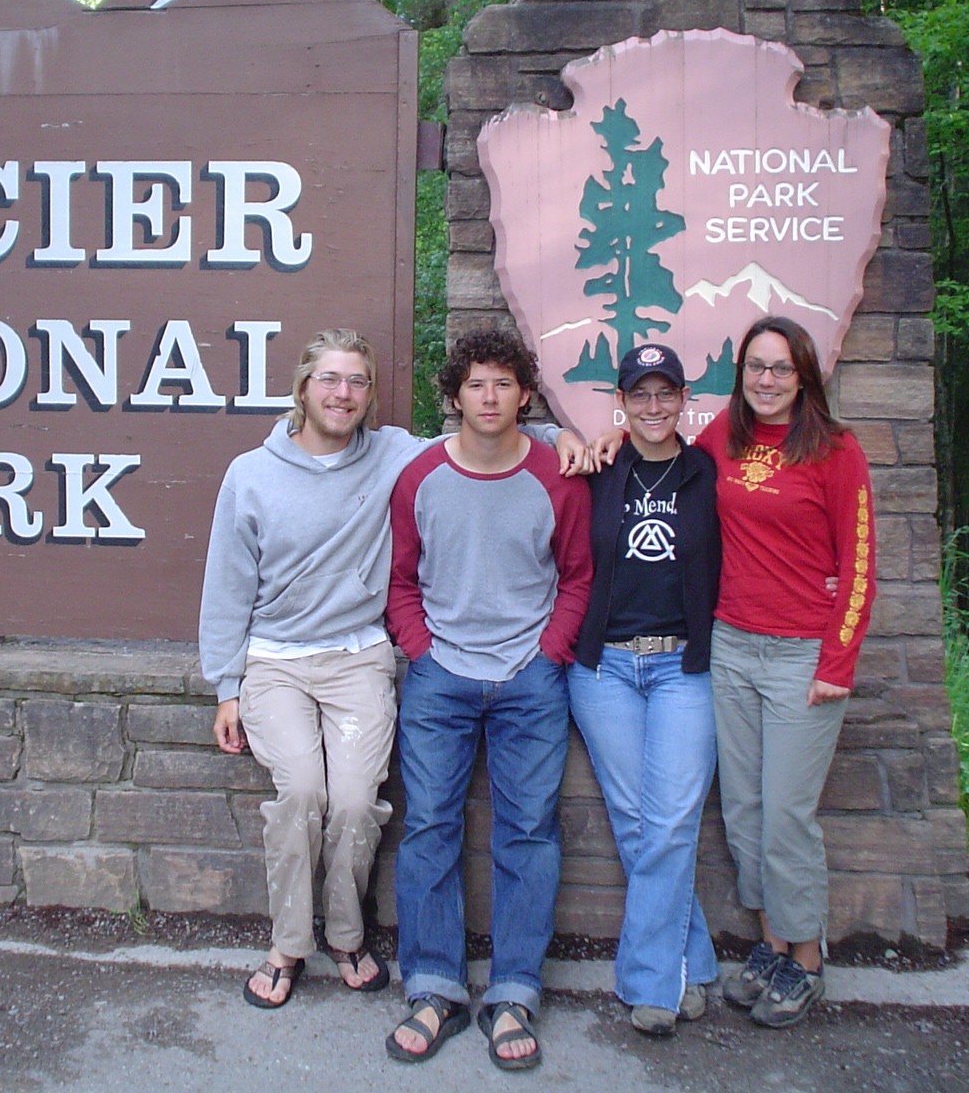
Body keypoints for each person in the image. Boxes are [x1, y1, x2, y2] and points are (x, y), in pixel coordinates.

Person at [199, 328, 588, 1010]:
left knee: (358, 803)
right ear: (303, 387)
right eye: (329, 379)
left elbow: (492, 436)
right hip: (279, 660)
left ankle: (351, 938)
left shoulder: (393, 454)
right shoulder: (251, 474)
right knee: (304, 796)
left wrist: (564, 435)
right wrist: (226, 686)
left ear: (371, 394)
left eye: (357, 381)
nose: (342, 393)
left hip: (362, 655)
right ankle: (292, 945)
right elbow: (228, 585)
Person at [384, 328, 592, 1069]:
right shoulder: (419, 477)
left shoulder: (557, 475)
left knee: (528, 831)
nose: (490, 396)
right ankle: (433, 986)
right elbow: (400, 578)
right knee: (429, 826)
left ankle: (513, 991)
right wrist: (421, 650)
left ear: (525, 393)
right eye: (476, 383)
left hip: (529, 678)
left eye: (504, 382)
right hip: (440, 675)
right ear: (454, 395)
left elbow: (578, 575)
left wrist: (549, 652)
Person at [695, 315, 876, 1029]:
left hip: (802, 656)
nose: (766, 380)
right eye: (755, 367)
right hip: (732, 646)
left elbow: (858, 564)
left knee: (786, 816)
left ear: (804, 377)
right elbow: (663, 456)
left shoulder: (835, 450)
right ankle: (772, 944)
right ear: (740, 373)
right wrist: (597, 440)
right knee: (743, 811)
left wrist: (837, 662)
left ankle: (807, 959)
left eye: (780, 369)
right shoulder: (724, 436)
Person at [567, 343, 721, 1037]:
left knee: (670, 823)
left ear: (685, 399)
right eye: (640, 394)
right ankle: (693, 962)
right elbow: (517, 438)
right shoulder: (599, 469)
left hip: (683, 668)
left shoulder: (709, 473)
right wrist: (566, 435)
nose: (653, 406)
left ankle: (650, 984)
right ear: (620, 403)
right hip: (604, 670)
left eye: (666, 393)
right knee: (636, 822)